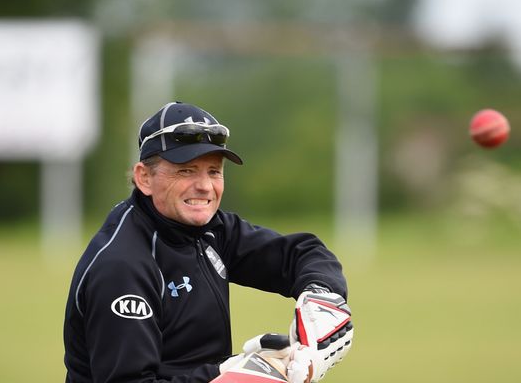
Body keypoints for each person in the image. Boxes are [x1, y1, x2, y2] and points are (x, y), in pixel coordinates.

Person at [63, 101, 353, 383]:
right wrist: (232, 375)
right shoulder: (122, 266)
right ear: (145, 178)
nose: (204, 186)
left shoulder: (209, 231)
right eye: (186, 170)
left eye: (213, 171)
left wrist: (321, 298)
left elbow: (301, 253)